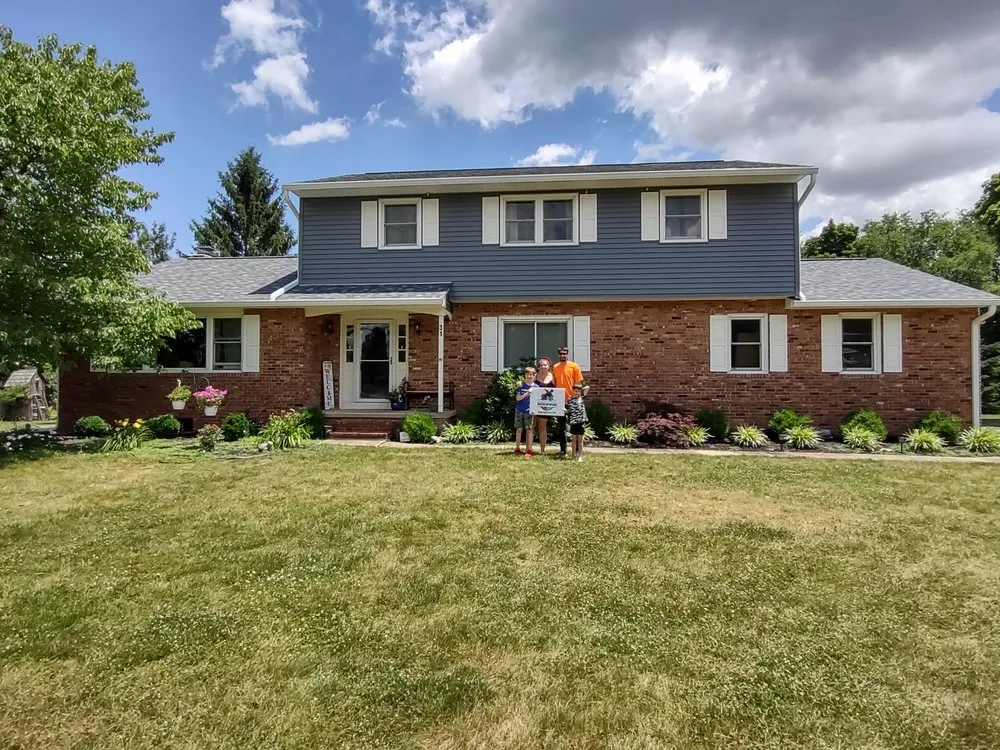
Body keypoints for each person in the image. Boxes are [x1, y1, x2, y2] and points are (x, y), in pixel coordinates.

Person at [551, 346, 588, 458]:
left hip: (572, 401)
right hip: (560, 401)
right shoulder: (555, 367)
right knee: (561, 427)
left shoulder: (574, 366)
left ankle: (576, 452)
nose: (563, 355)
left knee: (575, 427)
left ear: (567, 354)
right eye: (561, 353)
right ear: (558, 354)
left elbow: (578, 383)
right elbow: (554, 383)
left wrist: (577, 398)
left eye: (565, 353)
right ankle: (563, 450)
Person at [532, 357, 556, 455]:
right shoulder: (535, 377)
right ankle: (529, 449)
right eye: (541, 365)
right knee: (531, 426)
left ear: (549, 366)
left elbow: (556, 391)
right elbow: (529, 386)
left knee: (542, 427)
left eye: (545, 365)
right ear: (539, 367)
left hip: (545, 407)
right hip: (534, 405)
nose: (543, 367)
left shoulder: (553, 377)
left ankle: (542, 450)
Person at [514, 366, 536, 458]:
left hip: (530, 411)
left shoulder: (536, 387)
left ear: (534, 376)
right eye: (527, 374)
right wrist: (528, 393)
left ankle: (529, 450)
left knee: (529, 430)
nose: (529, 376)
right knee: (519, 429)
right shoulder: (521, 385)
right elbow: (518, 398)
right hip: (519, 409)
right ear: (524, 375)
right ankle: (517, 448)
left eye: (531, 375)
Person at [566, 382, 588, 462]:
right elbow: (569, 410)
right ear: (572, 391)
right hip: (573, 422)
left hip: (581, 421)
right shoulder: (570, 399)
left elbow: (587, 387)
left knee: (580, 440)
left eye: (578, 391)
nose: (577, 392)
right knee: (574, 440)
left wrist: (581, 390)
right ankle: (573, 455)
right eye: (575, 391)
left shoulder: (582, 398)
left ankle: (580, 456)